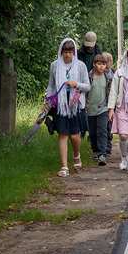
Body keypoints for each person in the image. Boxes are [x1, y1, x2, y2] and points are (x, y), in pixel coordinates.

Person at [46, 38, 91, 178]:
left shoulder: (81, 66)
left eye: (70, 52)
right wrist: (47, 100)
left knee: (75, 135)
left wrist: (76, 84)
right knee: (63, 134)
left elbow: (88, 86)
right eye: (65, 52)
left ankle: (76, 155)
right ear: (61, 52)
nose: (67, 55)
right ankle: (64, 166)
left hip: (76, 105)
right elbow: (51, 85)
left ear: (74, 52)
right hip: (60, 105)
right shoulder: (54, 65)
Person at [86, 53, 112, 166]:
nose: (101, 66)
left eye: (104, 64)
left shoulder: (108, 77)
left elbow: (111, 92)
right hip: (90, 108)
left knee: (102, 130)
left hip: (103, 108)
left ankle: (103, 154)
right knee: (92, 133)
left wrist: (111, 107)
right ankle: (96, 151)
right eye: (99, 64)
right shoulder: (89, 77)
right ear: (94, 64)